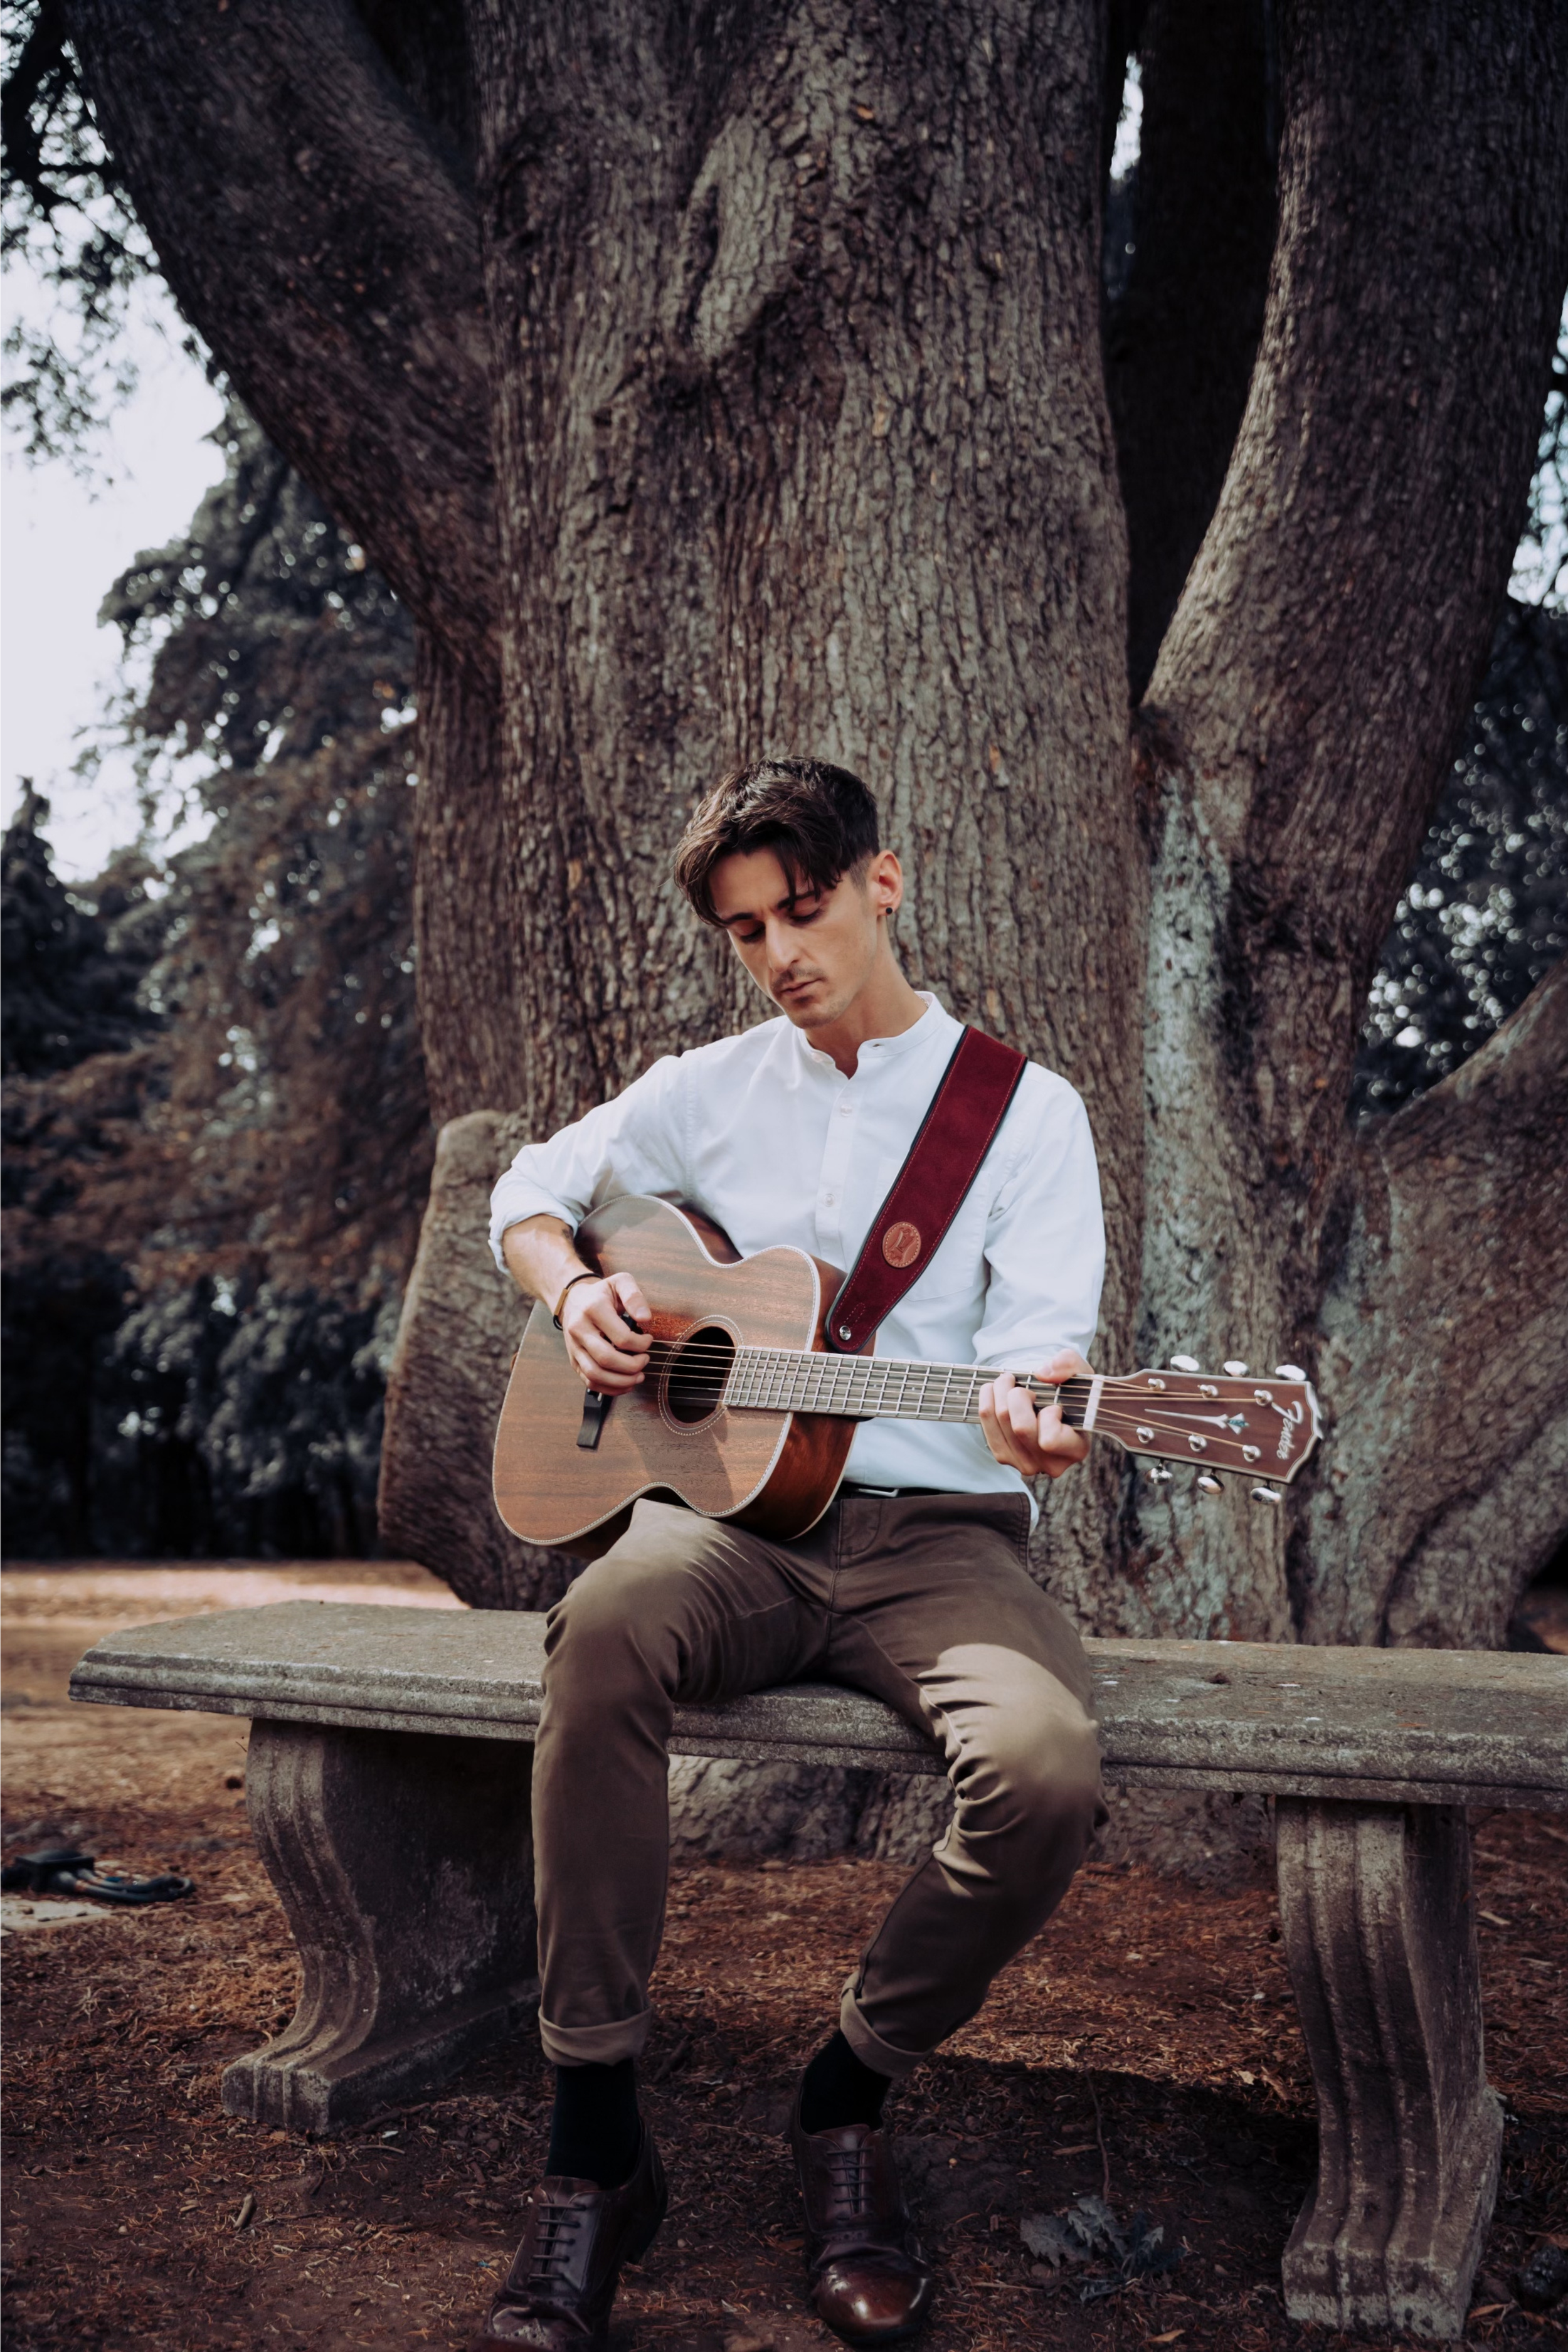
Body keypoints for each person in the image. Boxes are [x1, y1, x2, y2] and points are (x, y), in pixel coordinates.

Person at [474, 758, 1107, 2350]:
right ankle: (593, 2147)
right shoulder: (705, 1089)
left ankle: (844, 2096)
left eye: (801, 910)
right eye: (746, 932)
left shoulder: (1021, 1113)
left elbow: (1039, 1362)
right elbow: (527, 1193)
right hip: (730, 1536)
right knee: (602, 1630)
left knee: (1040, 1767)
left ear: (880, 884)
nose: (778, 955)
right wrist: (575, 1296)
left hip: (935, 1540)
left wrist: (1038, 1423)